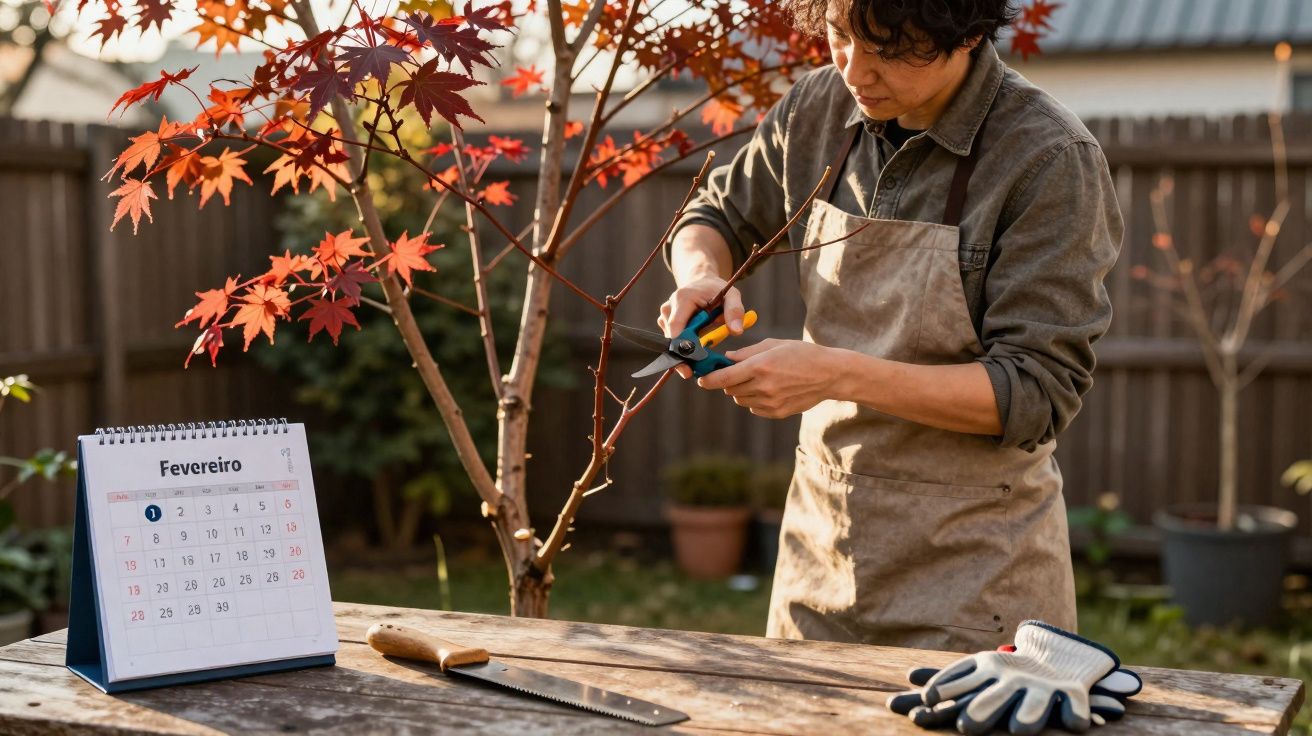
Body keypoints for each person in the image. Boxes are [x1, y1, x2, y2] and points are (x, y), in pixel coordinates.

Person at [659, 0, 1123, 653]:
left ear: (964, 32)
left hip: (976, 578)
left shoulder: (1048, 157)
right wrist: (701, 274)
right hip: (818, 559)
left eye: (889, 48)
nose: (855, 68)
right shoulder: (816, 109)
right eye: (841, 36)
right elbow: (717, 215)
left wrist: (835, 373)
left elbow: (1035, 392)